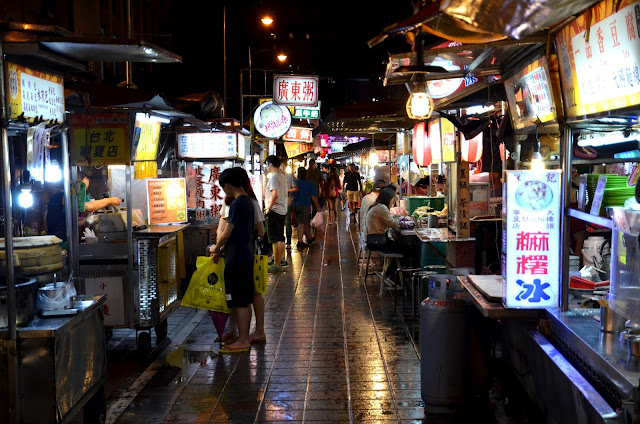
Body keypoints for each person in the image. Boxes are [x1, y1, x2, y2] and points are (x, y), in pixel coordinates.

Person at [211, 168, 266, 345]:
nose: (223, 191)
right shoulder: (248, 202)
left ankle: (243, 338)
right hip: (246, 254)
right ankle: (242, 336)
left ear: (227, 185)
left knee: (240, 300)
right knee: (245, 298)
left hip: (237, 256)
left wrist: (217, 248)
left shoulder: (239, 203)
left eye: (223, 187)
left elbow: (227, 233)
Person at [47, 174, 121, 241]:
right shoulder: (60, 197)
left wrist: (85, 220)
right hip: (59, 241)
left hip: (69, 239)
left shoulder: (68, 197)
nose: (84, 191)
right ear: (74, 186)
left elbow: (73, 221)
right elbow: (87, 206)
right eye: (83, 187)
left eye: (86, 188)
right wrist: (109, 200)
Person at [366, 187, 405, 279]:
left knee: (402, 247)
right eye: (392, 200)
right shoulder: (382, 208)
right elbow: (394, 224)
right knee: (406, 250)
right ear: (388, 199)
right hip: (378, 241)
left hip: (373, 240)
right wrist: (403, 219)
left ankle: (392, 274)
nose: (393, 203)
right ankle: (391, 275)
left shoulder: (377, 206)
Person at [264, 155, 288, 272]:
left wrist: (269, 208)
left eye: (267, 165)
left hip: (275, 210)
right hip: (282, 210)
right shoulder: (282, 176)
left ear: (270, 164)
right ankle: (281, 260)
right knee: (280, 237)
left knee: (275, 238)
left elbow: (275, 194)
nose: (266, 167)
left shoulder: (274, 178)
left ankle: (276, 264)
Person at [291, 167, 321, 250]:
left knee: (305, 222)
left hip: (295, 205)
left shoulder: (295, 182)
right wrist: (318, 206)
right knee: (301, 223)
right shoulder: (309, 183)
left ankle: (309, 238)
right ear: (306, 174)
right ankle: (300, 242)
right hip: (305, 205)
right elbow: (313, 196)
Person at [281, 161, 297, 249]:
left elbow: (296, 188)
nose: (282, 168)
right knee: (280, 222)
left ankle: (288, 241)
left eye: (284, 166)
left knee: (287, 222)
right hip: (278, 203)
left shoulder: (290, 176)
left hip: (287, 202)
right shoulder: (276, 176)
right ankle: (280, 240)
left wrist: (287, 191)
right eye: (281, 166)